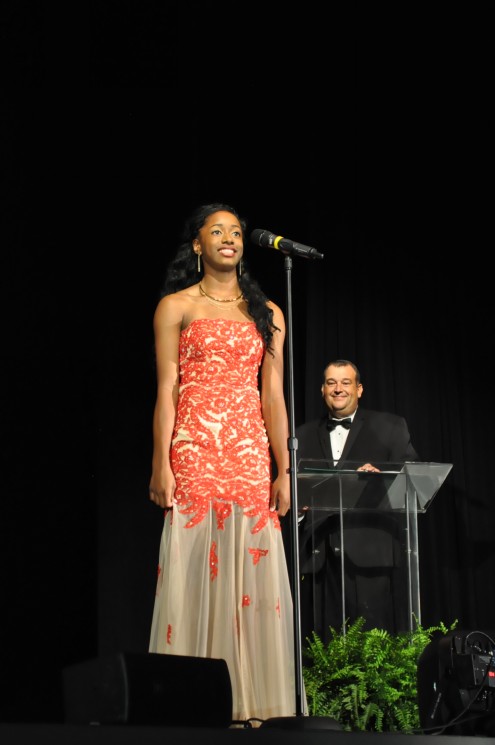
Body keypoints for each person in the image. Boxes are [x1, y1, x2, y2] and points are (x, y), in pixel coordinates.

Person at [147, 203, 302, 725]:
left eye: (236, 232)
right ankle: (191, 705)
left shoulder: (269, 312)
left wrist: (284, 469)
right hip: (193, 450)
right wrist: (160, 463)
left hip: (248, 454)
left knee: (249, 572)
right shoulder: (175, 306)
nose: (229, 238)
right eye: (217, 231)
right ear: (197, 244)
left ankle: (255, 707)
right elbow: (167, 389)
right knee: (197, 570)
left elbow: (274, 397)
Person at [295, 359, 419, 644]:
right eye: (331, 383)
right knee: (322, 649)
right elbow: (289, 493)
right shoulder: (300, 435)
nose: (338, 389)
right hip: (319, 557)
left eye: (346, 382)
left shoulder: (389, 426)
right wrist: (299, 510)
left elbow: (411, 480)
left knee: (372, 649)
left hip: (370, 554)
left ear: (359, 389)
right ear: (322, 390)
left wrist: (383, 479)